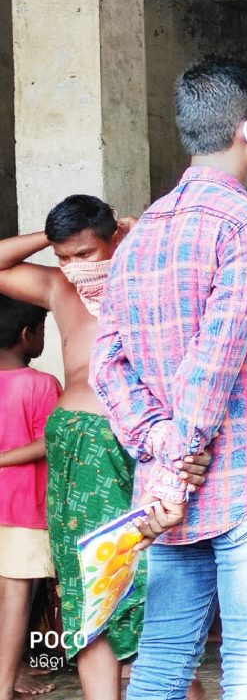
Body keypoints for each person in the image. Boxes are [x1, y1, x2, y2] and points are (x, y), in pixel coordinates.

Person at [91, 55, 247, 700]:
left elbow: (108, 361)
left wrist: (160, 448)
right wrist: (181, 452)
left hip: (168, 499)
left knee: (161, 664)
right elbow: (218, 353)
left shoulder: (138, 236)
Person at [0, 196, 209, 700]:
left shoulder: (148, 275)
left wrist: (136, 234)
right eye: (64, 255)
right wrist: (55, 238)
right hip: (81, 436)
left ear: (115, 238)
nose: (75, 266)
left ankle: (177, 684)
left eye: (85, 253)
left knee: (152, 571)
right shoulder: (59, 286)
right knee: (88, 581)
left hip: (147, 436)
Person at [0, 297, 59, 700]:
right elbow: (50, 441)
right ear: (27, 335)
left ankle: (11, 673)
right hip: (24, 510)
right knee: (16, 596)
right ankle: (4, 687)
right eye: (41, 329)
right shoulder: (41, 385)